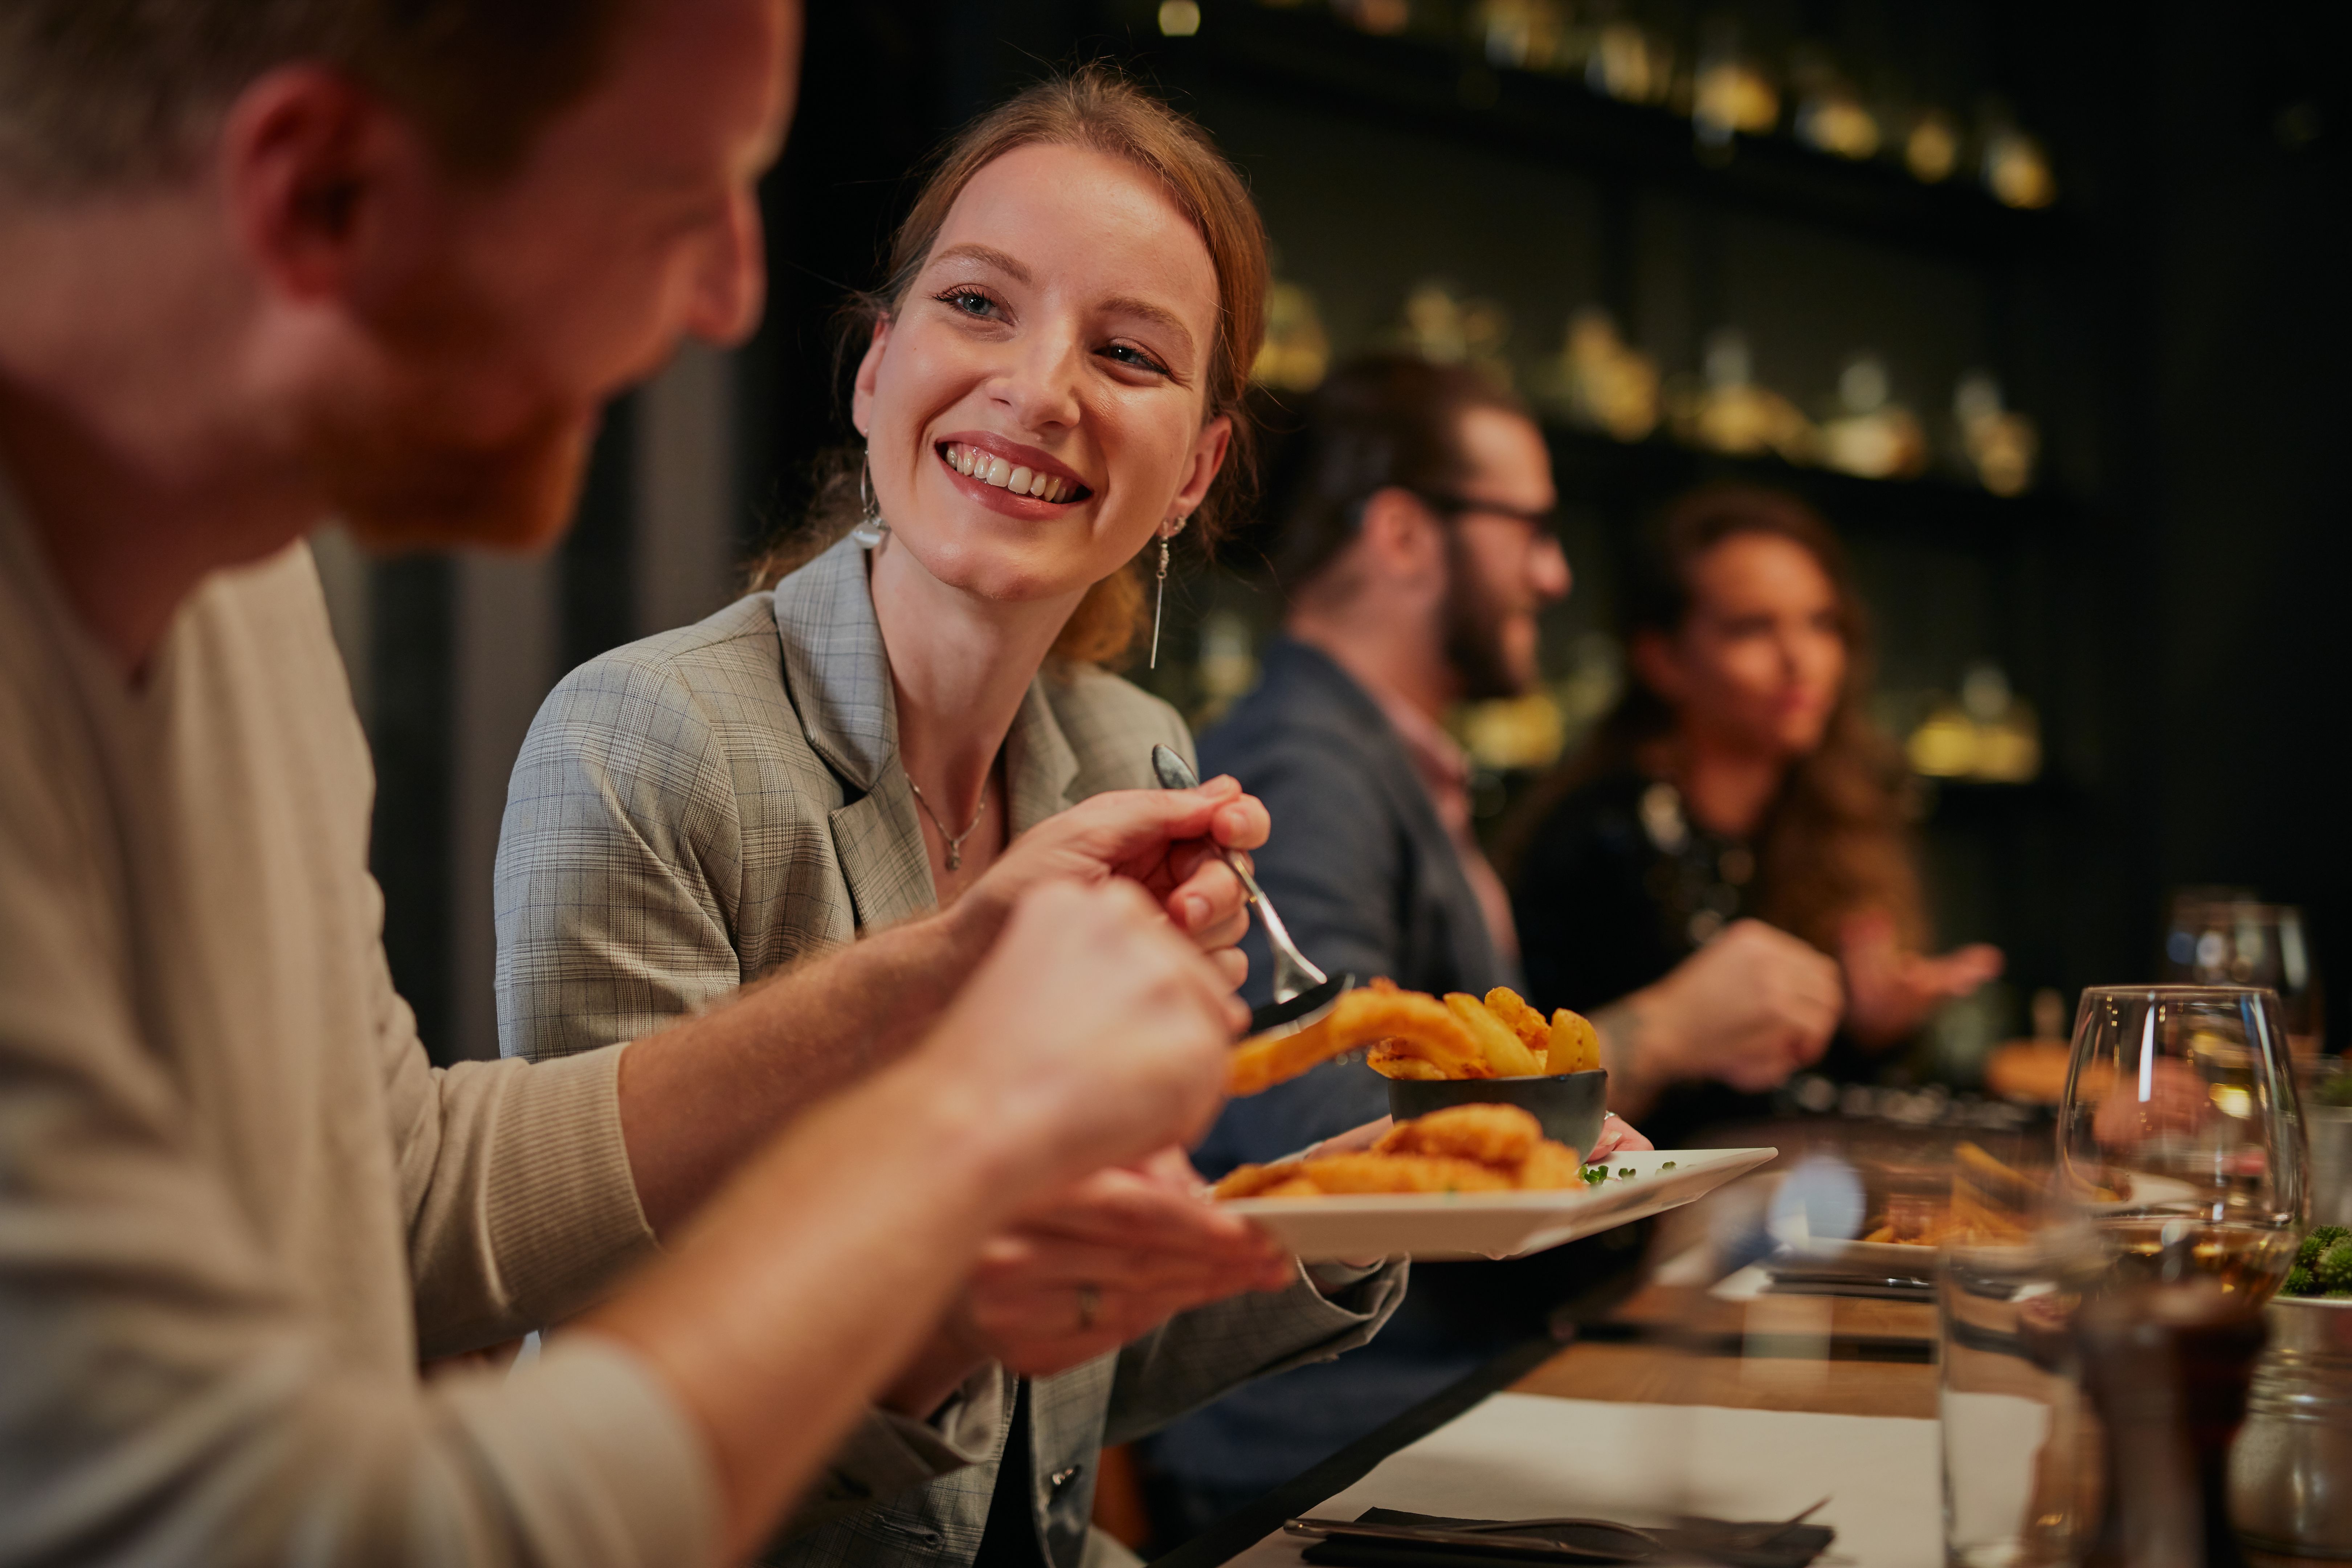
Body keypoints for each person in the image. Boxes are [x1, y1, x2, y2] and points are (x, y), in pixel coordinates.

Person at [0, 6, 1284, 1563]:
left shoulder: (246, 588)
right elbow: (299, 1528)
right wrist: (949, 1142)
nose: (734, 292)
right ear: (322, 195)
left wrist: (942, 978)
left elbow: (393, 1194)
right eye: (678, 203)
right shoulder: (642, 728)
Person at [493, 72, 1407, 1568]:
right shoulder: (646, 744)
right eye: (979, 305)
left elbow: (1065, 1370)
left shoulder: (1136, 757)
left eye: (1125, 351)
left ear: (1194, 470)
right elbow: (631, 1381)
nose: (1040, 388)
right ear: (874, 369)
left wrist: (1372, 1210)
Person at [1147, 356, 1756, 1529]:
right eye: (1527, 525)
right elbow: (1304, 1128)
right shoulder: (1312, 769)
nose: (1555, 570)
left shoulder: (1381, 761)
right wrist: (1663, 1032)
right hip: (1329, 1442)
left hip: (1414, 1397)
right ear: (1404, 537)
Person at [1504, 483, 2004, 1148]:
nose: (1800, 660)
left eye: (1821, 623)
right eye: (1752, 628)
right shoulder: (1602, 833)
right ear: (1662, 660)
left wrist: (1874, 1031)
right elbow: (1529, 1093)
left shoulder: (1839, 817)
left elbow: (1804, 1100)